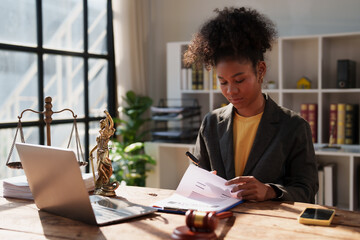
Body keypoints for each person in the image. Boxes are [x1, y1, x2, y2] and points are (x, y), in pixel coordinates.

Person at [184, 7, 318, 203]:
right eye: (223, 82)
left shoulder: (293, 127)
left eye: (239, 80)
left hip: (268, 227)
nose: (231, 91)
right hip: (219, 223)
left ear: (260, 70)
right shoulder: (211, 123)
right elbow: (196, 180)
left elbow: (307, 189)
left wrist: (270, 191)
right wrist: (201, 183)